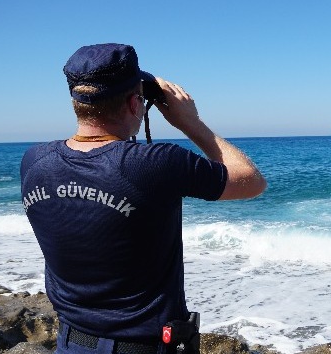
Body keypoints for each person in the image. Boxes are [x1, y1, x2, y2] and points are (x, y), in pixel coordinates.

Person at [20, 43, 266, 354]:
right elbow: (252, 181)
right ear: (136, 104)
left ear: (76, 101)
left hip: (70, 343)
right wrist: (189, 122)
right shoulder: (155, 163)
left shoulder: (35, 161)